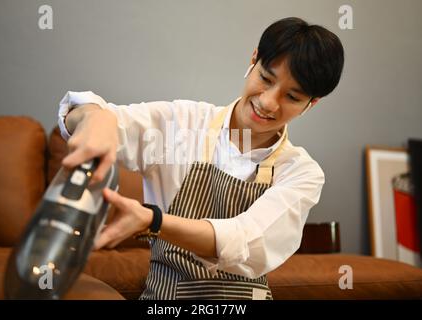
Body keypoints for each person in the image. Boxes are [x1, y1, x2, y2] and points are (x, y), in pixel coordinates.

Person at [58, 17, 344, 299]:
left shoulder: (301, 172)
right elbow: (80, 113)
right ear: (253, 60)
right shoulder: (182, 124)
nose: (268, 102)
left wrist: (153, 220)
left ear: (311, 103)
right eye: (266, 78)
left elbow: (246, 240)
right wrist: (97, 119)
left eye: (292, 97)